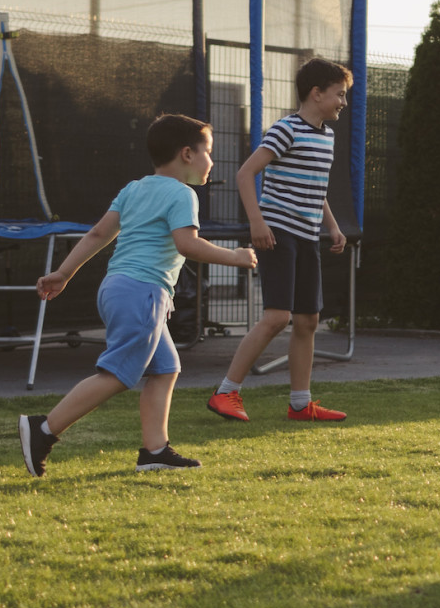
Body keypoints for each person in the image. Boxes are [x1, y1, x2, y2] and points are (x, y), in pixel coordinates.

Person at [19, 114, 260, 476]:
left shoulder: (134, 188)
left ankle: (155, 452)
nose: (212, 161)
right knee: (117, 374)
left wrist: (63, 272)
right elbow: (187, 244)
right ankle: (43, 430)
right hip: (142, 292)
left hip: (117, 287)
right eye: (208, 152)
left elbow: (99, 234)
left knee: (165, 368)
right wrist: (236, 256)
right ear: (187, 154)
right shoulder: (182, 193)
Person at [208, 59, 353, 424]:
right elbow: (245, 174)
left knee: (308, 320)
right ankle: (226, 392)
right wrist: (258, 223)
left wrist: (332, 227)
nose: (343, 103)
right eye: (339, 95)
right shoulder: (285, 129)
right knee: (277, 316)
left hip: (306, 237)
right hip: (278, 233)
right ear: (316, 93)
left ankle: (301, 405)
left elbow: (315, 188)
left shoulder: (326, 136)